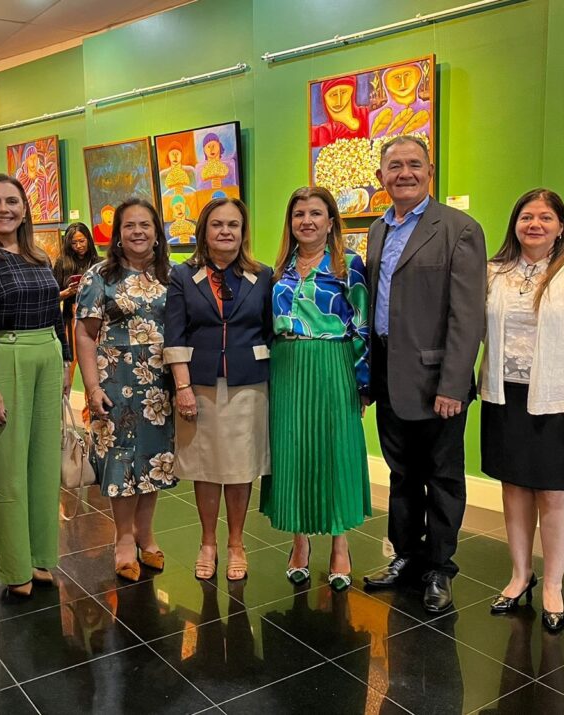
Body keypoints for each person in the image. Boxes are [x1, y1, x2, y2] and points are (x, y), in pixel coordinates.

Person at [362, 136, 486, 614]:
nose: (405, 173)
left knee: (443, 477)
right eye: (394, 166)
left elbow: (467, 315)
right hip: (389, 376)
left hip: (438, 382)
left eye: (414, 164)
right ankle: (406, 556)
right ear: (381, 177)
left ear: (430, 172)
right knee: (402, 475)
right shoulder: (378, 229)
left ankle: (439, 568)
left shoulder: (458, 229)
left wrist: (453, 384)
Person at [479, 188, 564, 632]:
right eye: (526, 217)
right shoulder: (494, 272)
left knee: (554, 493)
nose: (534, 224)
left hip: (560, 400)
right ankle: (520, 575)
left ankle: (553, 584)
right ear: (515, 224)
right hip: (504, 396)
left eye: (545, 218)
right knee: (514, 489)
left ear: (560, 227)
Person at [0, 174, 71, 598]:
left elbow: (55, 313)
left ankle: (41, 556)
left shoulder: (39, 255)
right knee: (8, 469)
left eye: (12, 201)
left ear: (25, 210)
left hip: (46, 354)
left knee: (44, 464)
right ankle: (16, 565)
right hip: (4, 358)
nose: (4, 209)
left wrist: (64, 361)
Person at [259, 186, 372, 592]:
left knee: (334, 451)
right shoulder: (278, 270)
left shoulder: (349, 265)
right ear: (290, 222)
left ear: (330, 221)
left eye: (315, 213)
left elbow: (362, 325)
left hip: (332, 364)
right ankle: (299, 542)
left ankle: (340, 544)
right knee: (294, 452)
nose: (306, 221)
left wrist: (362, 382)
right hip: (287, 366)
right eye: (299, 214)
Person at [164, 197, 273, 581]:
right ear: (204, 231)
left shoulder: (263, 276)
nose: (225, 231)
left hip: (249, 382)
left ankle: (236, 544)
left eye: (233, 225)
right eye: (217, 224)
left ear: (243, 232)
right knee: (207, 467)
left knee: (241, 468)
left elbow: (271, 330)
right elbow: (174, 334)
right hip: (200, 384)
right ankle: (208, 542)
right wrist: (182, 387)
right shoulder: (183, 276)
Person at [75, 197, 176, 582]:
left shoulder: (171, 275)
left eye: (145, 225)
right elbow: (85, 334)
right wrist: (91, 386)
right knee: (120, 460)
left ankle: (146, 535)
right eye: (129, 225)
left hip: (159, 384)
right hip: (115, 381)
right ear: (117, 234)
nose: (137, 232)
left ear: (156, 232)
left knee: (153, 460)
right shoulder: (99, 276)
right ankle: (123, 540)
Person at [52, 222, 100, 382]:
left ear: (88, 240)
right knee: (70, 362)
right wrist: (68, 292)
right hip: (70, 317)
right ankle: (66, 395)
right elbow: (53, 297)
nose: (78, 246)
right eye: (74, 243)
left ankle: (92, 398)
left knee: (96, 364)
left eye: (82, 241)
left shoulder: (99, 263)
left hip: (95, 317)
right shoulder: (62, 263)